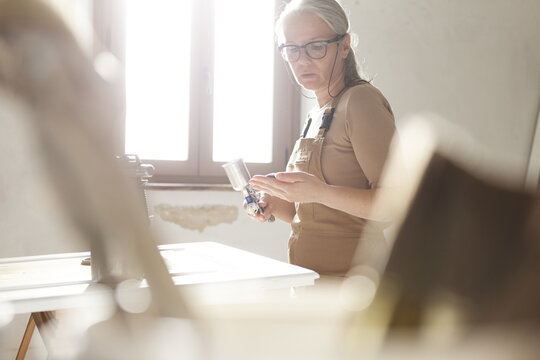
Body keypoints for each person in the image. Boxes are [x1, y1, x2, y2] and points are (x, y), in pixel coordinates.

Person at [248, 0, 396, 279]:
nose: (302, 60)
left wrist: (320, 192)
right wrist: (272, 203)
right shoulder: (316, 114)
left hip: (356, 285)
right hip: (309, 280)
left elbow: (395, 204)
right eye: (292, 49)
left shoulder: (360, 101)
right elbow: (308, 213)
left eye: (316, 47)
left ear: (344, 46)